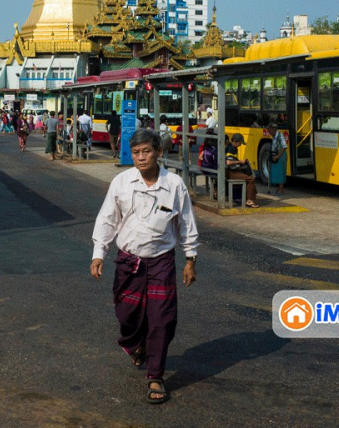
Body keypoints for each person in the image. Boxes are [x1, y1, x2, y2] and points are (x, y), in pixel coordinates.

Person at [90, 128, 199, 405]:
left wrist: (190, 259)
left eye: (146, 151)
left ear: (159, 153)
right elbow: (107, 219)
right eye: (136, 152)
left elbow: (186, 223)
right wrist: (98, 253)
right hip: (128, 262)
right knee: (127, 314)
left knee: (163, 319)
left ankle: (155, 376)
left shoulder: (174, 185)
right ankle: (136, 343)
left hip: (162, 261)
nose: (141, 157)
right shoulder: (121, 182)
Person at [225, 133, 258, 207]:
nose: (240, 145)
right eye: (240, 143)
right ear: (236, 141)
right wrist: (240, 161)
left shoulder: (232, 147)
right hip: (230, 172)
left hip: (231, 170)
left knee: (249, 176)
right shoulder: (231, 149)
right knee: (251, 179)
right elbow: (228, 162)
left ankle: (249, 196)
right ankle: (249, 200)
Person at [266, 122, 288, 195]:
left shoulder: (280, 135)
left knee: (280, 172)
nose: (268, 132)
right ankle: (278, 189)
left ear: (273, 129)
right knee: (276, 172)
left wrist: (278, 156)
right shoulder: (274, 136)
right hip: (276, 155)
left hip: (280, 156)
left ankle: (281, 190)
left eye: (269, 130)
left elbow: (284, 146)